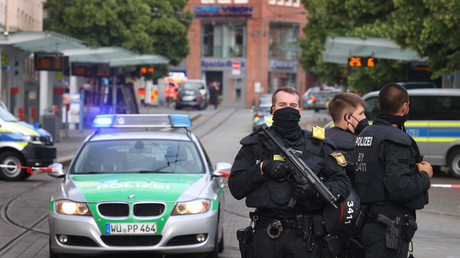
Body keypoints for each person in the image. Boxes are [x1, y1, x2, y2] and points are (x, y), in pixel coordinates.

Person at [229, 86, 351, 258]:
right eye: (282, 104)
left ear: (300, 110)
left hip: (305, 238)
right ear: (273, 110)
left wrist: (314, 192)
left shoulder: (318, 144)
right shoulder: (255, 144)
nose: (288, 109)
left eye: (293, 106)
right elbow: (235, 187)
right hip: (266, 236)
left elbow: (342, 183)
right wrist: (262, 169)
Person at [352, 83, 432, 258]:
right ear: (405, 107)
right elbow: (401, 188)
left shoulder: (366, 134)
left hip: (367, 224)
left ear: (380, 106)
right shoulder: (396, 140)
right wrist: (426, 175)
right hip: (387, 232)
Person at [326, 92, 368, 257]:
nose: (365, 118)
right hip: (352, 222)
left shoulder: (323, 138)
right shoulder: (357, 144)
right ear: (348, 117)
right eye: (361, 114)